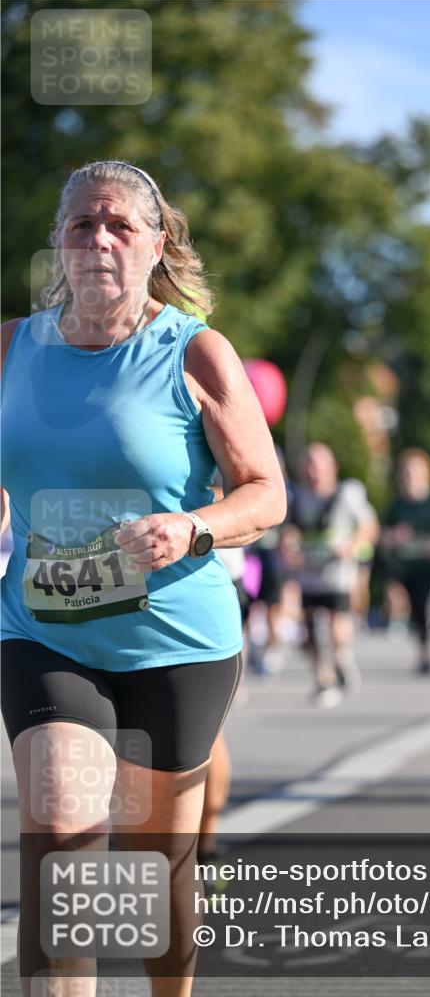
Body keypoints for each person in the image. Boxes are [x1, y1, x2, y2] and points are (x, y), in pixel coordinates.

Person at [0, 159, 287, 996]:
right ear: (57, 242)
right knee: (60, 836)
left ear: (155, 243)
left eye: (120, 224)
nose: (99, 239)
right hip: (44, 628)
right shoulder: (12, 347)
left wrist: (194, 527)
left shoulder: (194, 350)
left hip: (176, 640)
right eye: (83, 223)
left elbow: (265, 492)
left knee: (159, 874)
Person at [281, 442, 378, 708]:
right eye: (309, 465)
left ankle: (342, 659)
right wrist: (289, 549)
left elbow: (369, 526)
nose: (315, 471)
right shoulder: (296, 497)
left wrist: (352, 547)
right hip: (308, 573)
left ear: (332, 468)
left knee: (337, 626)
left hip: (337, 574)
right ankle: (323, 681)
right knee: (311, 630)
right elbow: (288, 532)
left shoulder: (347, 494)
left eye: (320, 465)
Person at [381, 449, 430, 674]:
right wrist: (395, 536)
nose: (411, 476)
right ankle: (400, 627)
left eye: (415, 471)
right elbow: (383, 537)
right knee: (400, 601)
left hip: (426, 566)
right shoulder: (396, 505)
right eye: (407, 472)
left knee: (423, 607)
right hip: (403, 566)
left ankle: (425, 652)